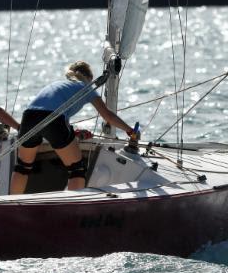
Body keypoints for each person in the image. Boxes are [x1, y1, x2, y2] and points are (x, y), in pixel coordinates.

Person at [10, 61, 139, 195]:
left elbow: (50, 115)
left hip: (29, 117)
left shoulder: (58, 85)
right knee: (77, 169)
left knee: (23, 167)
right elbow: (108, 116)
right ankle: (71, 210)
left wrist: (73, 133)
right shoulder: (86, 87)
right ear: (89, 78)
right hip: (53, 119)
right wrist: (130, 130)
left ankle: (11, 205)